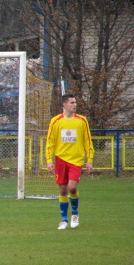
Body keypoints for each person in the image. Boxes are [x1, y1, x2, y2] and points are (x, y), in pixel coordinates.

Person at [46, 93, 94, 230]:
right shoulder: (55, 121)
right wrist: (49, 160)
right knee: (62, 189)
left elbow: (87, 141)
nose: (75, 105)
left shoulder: (82, 121)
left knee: (71, 187)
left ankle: (75, 213)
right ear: (64, 105)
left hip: (76, 160)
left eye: (75, 103)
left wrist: (89, 160)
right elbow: (50, 142)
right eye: (72, 103)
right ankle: (64, 220)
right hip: (60, 159)